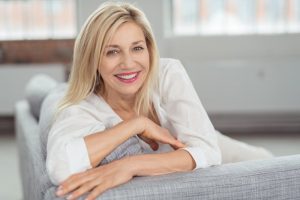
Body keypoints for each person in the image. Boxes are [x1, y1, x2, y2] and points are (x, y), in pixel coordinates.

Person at [46, 2, 272, 200]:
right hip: (186, 159)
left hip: (205, 139)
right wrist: (137, 124)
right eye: (112, 52)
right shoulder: (82, 108)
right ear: (93, 59)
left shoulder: (166, 72)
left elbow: (208, 151)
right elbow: (60, 168)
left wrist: (130, 165)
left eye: (137, 48)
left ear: (149, 50)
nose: (128, 63)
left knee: (270, 165)